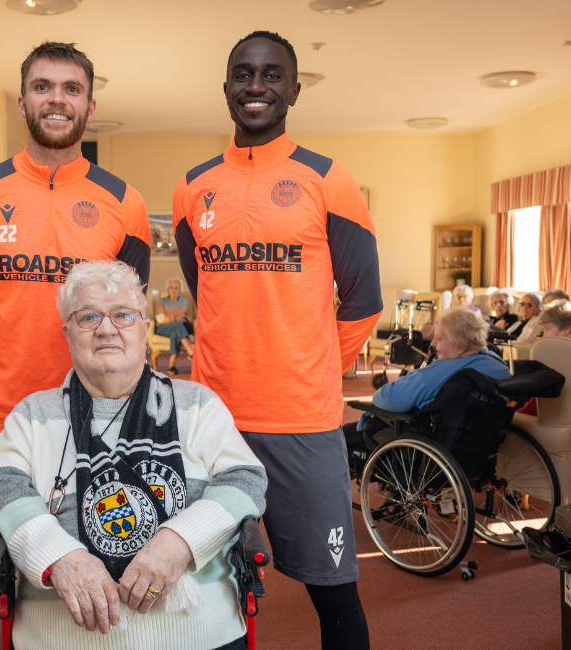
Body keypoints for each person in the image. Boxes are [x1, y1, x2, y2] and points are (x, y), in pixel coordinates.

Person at [172, 31, 382, 649]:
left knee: (334, 593)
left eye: (270, 75)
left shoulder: (328, 180)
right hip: (211, 420)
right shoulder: (193, 185)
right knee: (202, 588)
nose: (255, 86)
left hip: (302, 422)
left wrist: (313, 368)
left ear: (294, 89)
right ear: (228, 87)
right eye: (243, 74)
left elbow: (364, 300)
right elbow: (202, 286)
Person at [0, 41, 151, 648]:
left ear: (90, 103)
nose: (56, 100)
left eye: (71, 89)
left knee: (100, 562)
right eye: (43, 87)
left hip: (101, 418)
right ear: (22, 100)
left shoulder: (125, 203)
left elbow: (127, 315)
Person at [0, 261, 266, 649]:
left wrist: (178, 542)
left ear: (143, 328)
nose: (106, 328)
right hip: (63, 636)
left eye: (122, 315)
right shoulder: (33, 414)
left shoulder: (196, 404)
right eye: (88, 316)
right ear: (68, 333)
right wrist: (61, 557)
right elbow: (0, 484)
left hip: (195, 631)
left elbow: (245, 478)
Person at [369, 307, 512, 414]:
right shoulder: (497, 364)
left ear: (461, 346)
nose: (432, 344)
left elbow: (388, 398)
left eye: (439, 338)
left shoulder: (441, 371)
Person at [154, 277, 195, 374]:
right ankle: (190, 352)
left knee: (174, 334)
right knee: (177, 324)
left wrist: (169, 318)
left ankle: (171, 366)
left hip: (176, 329)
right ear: (168, 289)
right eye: (171, 287)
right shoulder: (162, 301)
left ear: (180, 289)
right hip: (161, 328)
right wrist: (175, 318)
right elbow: (160, 319)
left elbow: (183, 317)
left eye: (176, 288)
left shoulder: (184, 301)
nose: (174, 290)